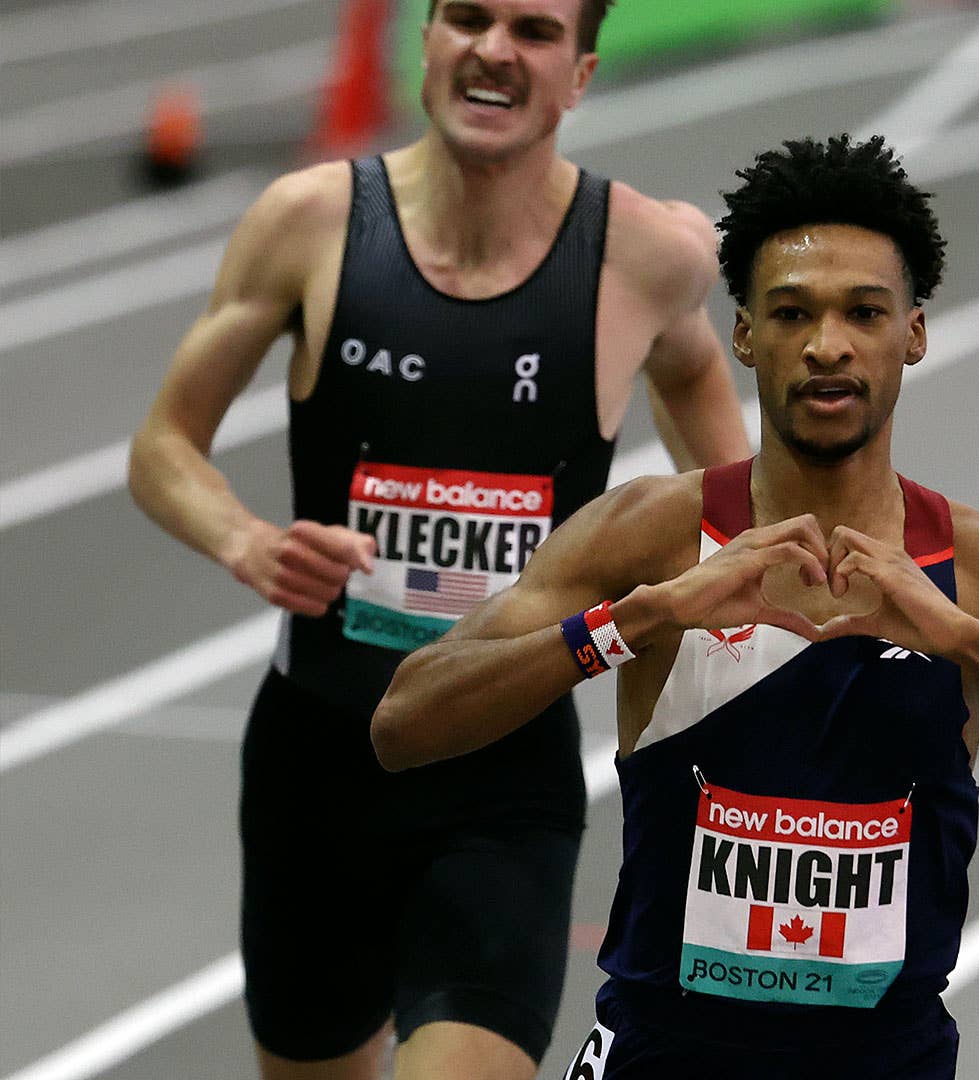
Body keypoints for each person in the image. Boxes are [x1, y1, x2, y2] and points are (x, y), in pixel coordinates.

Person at [369, 133, 979, 1078]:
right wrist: (637, 624)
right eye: (792, 313)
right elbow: (405, 723)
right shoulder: (651, 535)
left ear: (914, 331)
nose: (828, 345)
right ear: (744, 333)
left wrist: (975, 645)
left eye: (864, 312)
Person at [125, 0, 752, 1076]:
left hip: (503, 776)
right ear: (427, 40)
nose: (494, 49)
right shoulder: (311, 222)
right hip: (316, 762)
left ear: (581, 73)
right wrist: (244, 541)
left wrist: (731, 570)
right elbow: (162, 447)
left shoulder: (641, 257)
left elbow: (704, 402)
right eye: (467, 17)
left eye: (534, 30)